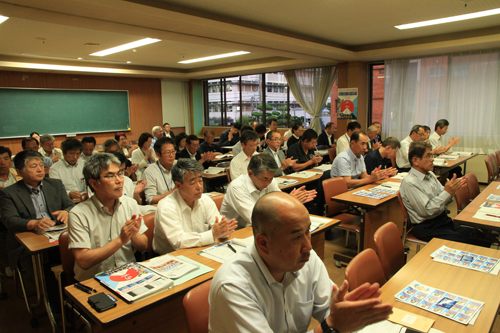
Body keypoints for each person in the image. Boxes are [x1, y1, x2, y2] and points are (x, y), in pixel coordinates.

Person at [210, 192, 393, 332]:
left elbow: (329, 310)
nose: (308, 247)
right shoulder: (233, 286)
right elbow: (332, 324)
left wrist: (344, 313)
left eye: (308, 231)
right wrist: (331, 327)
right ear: (264, 244)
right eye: (297, 237)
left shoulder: (305, 259)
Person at [68, 153, 148, 281]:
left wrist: (134, 234)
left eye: (120, 174)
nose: (119, 181)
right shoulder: (78, 214)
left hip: (128, 275)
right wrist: (120, 240)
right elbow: (83, 261)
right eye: (111, 176)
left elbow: (143, 246)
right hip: (95, 280)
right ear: (94, 184)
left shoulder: (129, 203)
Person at [400, 141, 490, 247]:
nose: (432, 159)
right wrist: (448, 192)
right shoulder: (410, 183)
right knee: (469, 244)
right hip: (427, 227)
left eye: (432, 155)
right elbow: (427, 211)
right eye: (428, 156)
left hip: (443, 220)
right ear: (415, 160)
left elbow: (446, 198)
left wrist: (452, 190)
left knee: (481, 237)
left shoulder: (430, 175)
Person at [0, 150, 74, 270]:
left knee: (74, 253)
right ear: (19, 172)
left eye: (41, 165)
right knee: (40, 267)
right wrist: (34, 223)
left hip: (56, 233)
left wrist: (66, 212)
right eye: (33, 166)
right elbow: (9, 220)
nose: (40, 169)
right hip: (28, 239)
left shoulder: (55, 184)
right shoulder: (9, 193)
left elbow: (70, 205)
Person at [153, 158, 237, 254]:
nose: (199, 187)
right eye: (193, 183)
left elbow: (218, 226)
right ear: (178, 185)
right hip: (171, 257)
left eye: (200, 181)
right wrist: (212, 234)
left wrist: (223, 231)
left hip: (201, 250)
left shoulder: (205, 200)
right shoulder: (166, 206)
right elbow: (178, 241)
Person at [221, 154, 316, 228]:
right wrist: (288, 202)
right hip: (235, 232)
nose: (268, 182)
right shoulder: (237, 187)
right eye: (265, 179)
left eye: (271, 178)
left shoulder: (270, 181)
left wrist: (290, 201)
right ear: (251, 173)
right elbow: (255, 218)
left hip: (259, 227)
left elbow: (278, 201)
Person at [142, 137, 176, 204]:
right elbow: (151, 199)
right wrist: (174, 191)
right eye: (167, 153)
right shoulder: (149, 172)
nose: (172, 155)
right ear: (158, 155)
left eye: (173, 151)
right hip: (162, 207)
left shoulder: (179, 165)